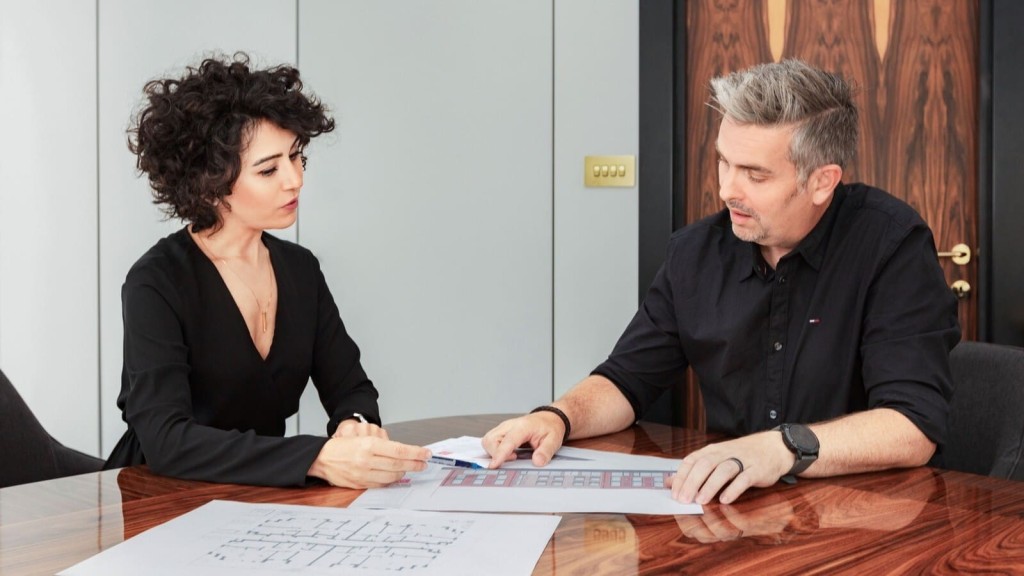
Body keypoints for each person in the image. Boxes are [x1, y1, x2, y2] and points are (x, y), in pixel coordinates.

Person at [483, 59, 960, 505]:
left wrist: (781, 449)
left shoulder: (891, 245)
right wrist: (557, 417)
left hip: (867, 516)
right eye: (724, 162)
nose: (728, 188)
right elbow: (627, 380)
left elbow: (913, 426)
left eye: (755, 174)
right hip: (737, 510)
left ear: (822, 182)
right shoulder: (695, 253)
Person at [104, 53, 430, 487]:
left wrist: (354, 425)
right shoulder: (156, 282)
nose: (294, 180)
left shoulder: (300, 269)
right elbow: (167, 441)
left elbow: (351, 387)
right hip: (159, 497)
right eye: (269, 169)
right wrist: (317, 459)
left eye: (296, 158)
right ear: (211, 182)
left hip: (260, 496)